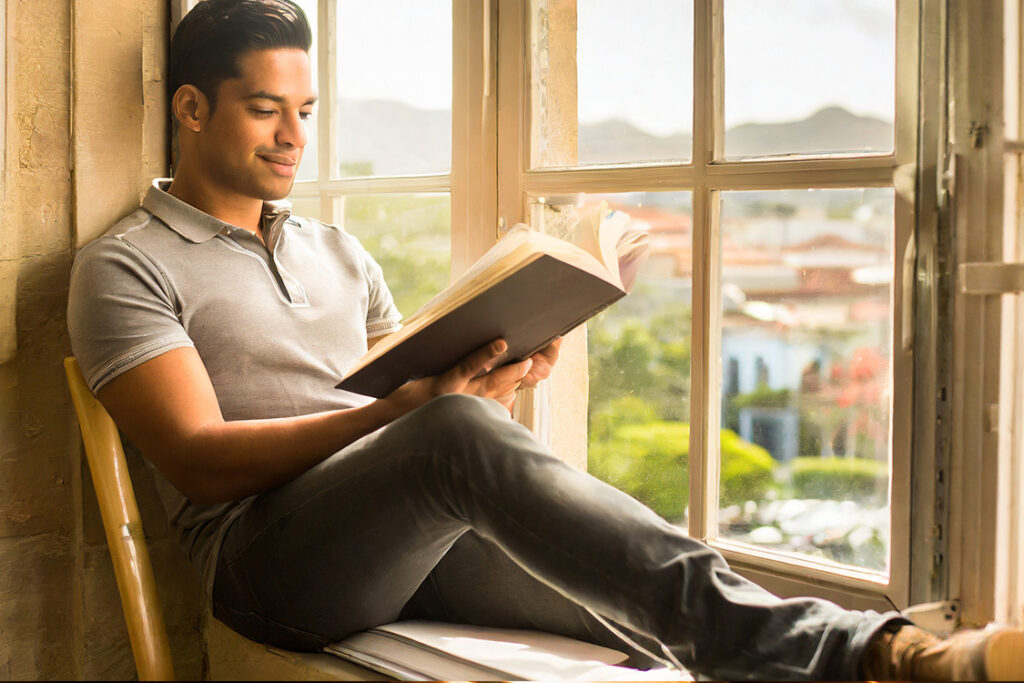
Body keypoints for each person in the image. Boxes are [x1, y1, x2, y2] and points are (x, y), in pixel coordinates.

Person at [66, 1, 1023, 680]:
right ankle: (872, 649)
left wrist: (493, 372)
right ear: (191, 109)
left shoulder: (336, 250)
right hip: (263, 563)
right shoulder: (125, 265)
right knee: (451, 440)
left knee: (637, 610)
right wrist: (416, 417)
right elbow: (196, 461)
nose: (293, 136)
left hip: (394, 534)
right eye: (264, 108)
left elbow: (416, 398)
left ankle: (884, 662)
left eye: (306, 111)